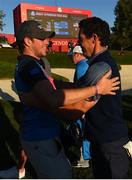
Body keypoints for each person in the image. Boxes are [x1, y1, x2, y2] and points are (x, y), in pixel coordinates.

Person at [14, 20, 120, 178]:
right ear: (28, 42)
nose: (47, 42)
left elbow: (53, 85)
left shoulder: (33, 64)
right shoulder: (29, 66)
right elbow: (53, 98)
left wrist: (81, 87)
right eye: (42, 38)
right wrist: (96, 89)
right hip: (40, 138)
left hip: (42, 136)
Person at [79, 16, 129, 178]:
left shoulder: (101, 66)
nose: (79, 44)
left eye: (81, 38)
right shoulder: (100, 62)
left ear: (94, 38)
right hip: (105, 140)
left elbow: (79, 102)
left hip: (109, 143)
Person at [71, 45, 91, 167]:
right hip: (88, 105)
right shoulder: (87, 63)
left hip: (82, 105)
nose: (71, 59)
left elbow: (82, 90)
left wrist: (82, 109)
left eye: (72, 56)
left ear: (77, 55)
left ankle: (84, 159)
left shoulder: (81, 66)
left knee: (82, 131)